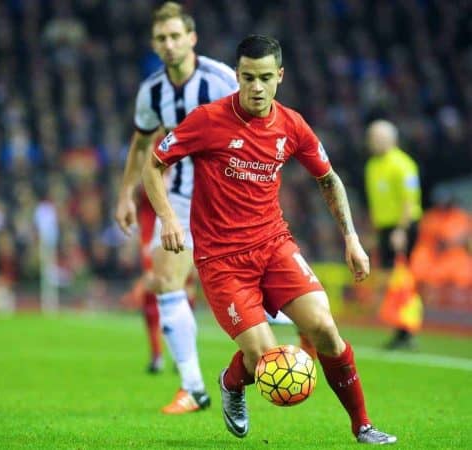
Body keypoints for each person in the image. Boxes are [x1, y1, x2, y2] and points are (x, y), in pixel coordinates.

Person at [143, 34, 396, 444]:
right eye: (247, 77)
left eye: (264, 77)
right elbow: (154, 166)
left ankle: (362, 426)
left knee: (325, 329)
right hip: (222, 260)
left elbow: (328, 179)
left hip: (274, 246)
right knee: (265, 359)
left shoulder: (292, 124)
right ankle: (231, 382)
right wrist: (168, 216)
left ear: (279, 76)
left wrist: (351, 237)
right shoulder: (207, 120)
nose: (255, 87)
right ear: (237, 76)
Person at [115, 1, 238, 414]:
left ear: (192, 38)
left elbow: (261, 129)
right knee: (167, 280)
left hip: (232, 199)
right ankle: (193, 387)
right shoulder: (152, 91)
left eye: (175, 36)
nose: (168, 44)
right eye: (161, 38)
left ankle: (301, 329)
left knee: (249, 288)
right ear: (154, 43)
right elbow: (142, 142)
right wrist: (126, 194)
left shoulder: (222, 81)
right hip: (182, 198)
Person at [365, 120, 423, 349]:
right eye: (371, 138)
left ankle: (408, 330)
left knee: (403, 277)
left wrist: (401, 230)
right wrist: (374, 230)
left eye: (377, 138)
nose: (373, 142)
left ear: (392, 139)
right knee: (392, 277)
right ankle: (400, 330)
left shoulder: (403, 164)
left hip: (403, 227)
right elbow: (376, 202)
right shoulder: (372, 166)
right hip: (385, 228)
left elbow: (410, 200)